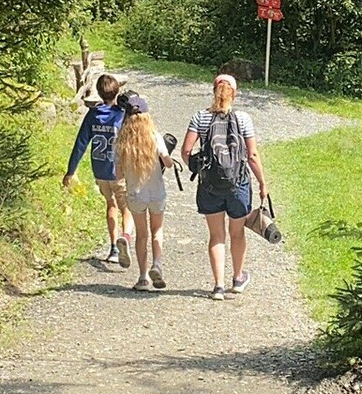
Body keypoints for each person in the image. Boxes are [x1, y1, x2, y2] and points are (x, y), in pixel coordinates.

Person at [181, 74, 269, 301]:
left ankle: (218, 286)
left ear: (213, 90)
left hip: (210, 185)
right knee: (237, 233)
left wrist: (198, 169)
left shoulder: (200, 117)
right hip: (237, 185)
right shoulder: (243, 119)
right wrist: (262, 182)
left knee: (216, 236)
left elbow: (186, 151)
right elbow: (252, 155)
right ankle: (238, 279)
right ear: (235, 93)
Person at [63, 73, 133, 267]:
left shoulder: (93, 114)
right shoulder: (122, 114)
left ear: (100, 94)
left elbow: (80, 144)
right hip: (120, 170)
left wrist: (71, 171)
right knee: (126, 207)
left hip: (100, 169)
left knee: (110, 204)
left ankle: (113, 248)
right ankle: (126, 236)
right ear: (117, 91)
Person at [114, 96, 173, 291]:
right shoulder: (154, 136)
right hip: (156, 192)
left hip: (136, 194)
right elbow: (168, 162)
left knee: (141, 235)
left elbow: (119, 173)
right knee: (157, 231)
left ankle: (142, 278)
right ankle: (157, 265)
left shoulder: (121, 141)